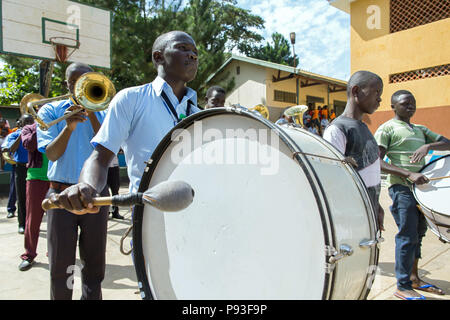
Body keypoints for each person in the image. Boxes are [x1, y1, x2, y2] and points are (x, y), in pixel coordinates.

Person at [46, 31, 200, 220]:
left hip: (193, 213)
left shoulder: (199, 113)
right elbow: (100, 157)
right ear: (158, 57)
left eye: (195, 52)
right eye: (183, 48)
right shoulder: (131, 99)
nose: (192, 55)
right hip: (148, 216)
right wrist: (87, 185)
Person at [36, 62, 108, 300]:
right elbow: (52, 154)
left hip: (95, 196)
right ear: (66, 84)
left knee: (94, 266)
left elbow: (108, 146)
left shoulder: (103, 111)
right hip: (60, 195)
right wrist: (68, 127)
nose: (80, 86)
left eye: (86, 80)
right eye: (75, 81)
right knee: (61, 266)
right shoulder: (50, 112)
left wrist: (94, 113)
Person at [374, 89, 450, 300]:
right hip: (401, 188)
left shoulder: (420, 129)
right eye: (405, 103)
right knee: (407, 236)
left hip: (421, 191)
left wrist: (428, 146)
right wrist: (409, 174)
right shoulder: (387, 129)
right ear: (393, 106)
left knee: (419, 234)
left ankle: (415, 277)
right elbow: (377, 162)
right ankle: (403, 285)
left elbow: (447, 143)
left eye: (413, 103)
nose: (410, 107)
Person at [323, 70, 385, 235]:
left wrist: (376, 204)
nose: (380, 98)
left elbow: (370, 168)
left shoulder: (363, 126)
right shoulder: (337, 129)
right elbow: (332, 178)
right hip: (353, 213)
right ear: (356, 91)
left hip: (369, 205)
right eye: (376, 92)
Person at [19, 119, 50, 271]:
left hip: (56, 178)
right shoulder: (28, 128)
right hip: (35, 177)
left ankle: (53, 251)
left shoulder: (57, 125)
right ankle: (29, 254)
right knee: (33, 219)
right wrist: (41, 127)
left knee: (57, 219)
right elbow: (29, 145)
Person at [2, 115, 33, 233]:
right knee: (21, 197)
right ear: (20, 124)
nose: (29, 124)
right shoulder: (14, 135)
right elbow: (10, 149)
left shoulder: (36, 133)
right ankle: (22, 224)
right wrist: (21, 136)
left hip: (35, 167)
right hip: (20, 168)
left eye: (31, 121)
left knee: (34, 198)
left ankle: (32, 223)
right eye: (26, 122)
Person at [107, 154, 124, 219]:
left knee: (115, 191)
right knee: (105, 191)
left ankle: (115, 212)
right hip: (104, 167)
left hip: (114, 166)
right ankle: (106, 212)